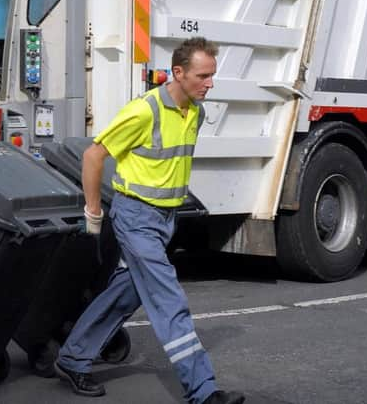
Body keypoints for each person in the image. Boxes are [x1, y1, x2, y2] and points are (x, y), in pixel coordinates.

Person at [54, 37, 245, 404]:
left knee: (126, 293)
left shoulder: (196, 113)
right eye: (203, 75)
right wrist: (93, 213)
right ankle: (203, 391)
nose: (210, 83)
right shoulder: (145, 111)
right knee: (168, 299)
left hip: (164, 220)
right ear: (178, 72)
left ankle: (73, 357)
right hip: (135, 216)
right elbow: (94, 156)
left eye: (212, 75)